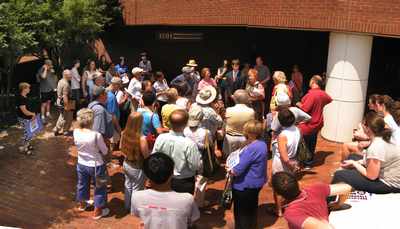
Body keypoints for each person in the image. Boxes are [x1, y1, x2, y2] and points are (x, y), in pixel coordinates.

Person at [332, 111, 400, 194]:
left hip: (389, 185)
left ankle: (329, 202)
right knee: (353, 156)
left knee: (340, 175)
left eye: (362, 125)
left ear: (368, 128)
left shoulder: (376, 146)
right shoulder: (384, 137)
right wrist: (356, 162)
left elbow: (372, 176)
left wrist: (355, 164)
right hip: (386, 174)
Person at [131, 153, 200, 228]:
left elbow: (138, 218)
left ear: (147, 175)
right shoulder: (187, 199)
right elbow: (192, 221)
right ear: (172, 173)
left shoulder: (137, 197)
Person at [272, 172, 352, 229]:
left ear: (279, 195)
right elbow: (347, 188)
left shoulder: (291, 213)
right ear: (298, 183)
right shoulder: (316, 188)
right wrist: (338, 204)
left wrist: (323, 222)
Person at [227, 120, 267, 229]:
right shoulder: (262, 143)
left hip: (244, 185)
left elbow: (237, 170)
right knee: (251, 209)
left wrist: (229, 169)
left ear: (250, 132)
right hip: (256, 183)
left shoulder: (252, 148)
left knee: (241, 214)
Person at [152, 109, 203, 194]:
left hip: (163, 179)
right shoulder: (189, 144)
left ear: (170, 123)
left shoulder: (160, 138)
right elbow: (195, 166)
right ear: (186, 124)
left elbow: (154, 157)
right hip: (183, 182)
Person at [73, 108, 109, 220]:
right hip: (97, 165)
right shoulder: (96, 135)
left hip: (81, 163)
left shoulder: (75, 131)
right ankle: (97, 212)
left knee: (82, 184)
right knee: (100, 187)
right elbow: (105, 151)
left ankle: (82, 205)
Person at [296, 75, 332, 167]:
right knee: (312, 143)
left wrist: (299, 104)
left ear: (313, 82)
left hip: (308, 124)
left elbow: (305, 109)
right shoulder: (322, 93)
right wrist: (320, 105)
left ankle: (303, 162)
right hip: (317, 123)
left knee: (304, 144)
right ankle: (309, 162)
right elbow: (329, 99)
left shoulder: (312, 94)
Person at [119, 112, 149, 211]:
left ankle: (127, 206)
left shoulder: (123, 133)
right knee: (137, 188)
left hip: (126, 163)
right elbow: (146, 156)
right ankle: (134, 209)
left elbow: (120, 148)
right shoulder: (142, 138)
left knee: (127, 185)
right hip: (137, 166)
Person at [223, 89, 255, 158]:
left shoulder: (228, 110)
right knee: (244, 159)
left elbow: (224, 124)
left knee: (231, 159)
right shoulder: (251, 111)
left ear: (235, 99)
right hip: (244, 138)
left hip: (230, 138)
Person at [271, 108, 301, 174]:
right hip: (293, 159)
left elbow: (285, 158)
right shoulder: (297, 129)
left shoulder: (282, 136)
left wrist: (292, 167)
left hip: (282, 165)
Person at [16, 82, 36, 155]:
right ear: (24, 89)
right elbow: (24, 111)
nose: (29, 89)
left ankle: (27, 145)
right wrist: (32, 114)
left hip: (26, 118)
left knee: (30, 132)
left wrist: (32, 115)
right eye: (28, 88)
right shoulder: (21, 98)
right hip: (23, 118)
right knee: (27, 133)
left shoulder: (24, 97)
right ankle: (24, 148)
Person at [54, 69, 74, 136]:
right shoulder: (65, 84)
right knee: (68, 117)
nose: (71, 76)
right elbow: (65, 95)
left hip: (59, 101)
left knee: (62, 116)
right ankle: (65, 131)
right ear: (65, 75)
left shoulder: (60, 81)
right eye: (70, 74)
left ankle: (57, 129)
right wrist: (66, 105)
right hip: (66, 102)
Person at [106, 77, 123, 149]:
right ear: (115, 85)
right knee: (111, 144)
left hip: (107, 123)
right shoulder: (111, 97)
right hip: (111, 124)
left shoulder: (105, 92)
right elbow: (112, 114)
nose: (119, 88)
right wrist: (117, 127)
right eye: (119, 85)